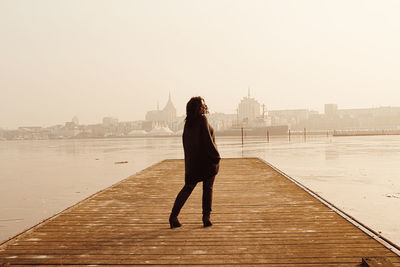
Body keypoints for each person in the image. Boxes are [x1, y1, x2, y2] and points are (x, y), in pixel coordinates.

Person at [169, 96, 221, 228]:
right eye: (201, 106)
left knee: (187, 188)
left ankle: (173, 216)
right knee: (207, 189)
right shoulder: (203, 119)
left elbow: (187, 144)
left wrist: (189, 163)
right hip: (207, 162)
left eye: (204, 105)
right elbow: (208, 141)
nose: (204, 108)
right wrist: (216, 157)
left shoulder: (188, 123)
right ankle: (206, 217)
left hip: (193, 163)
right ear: (196, 108)